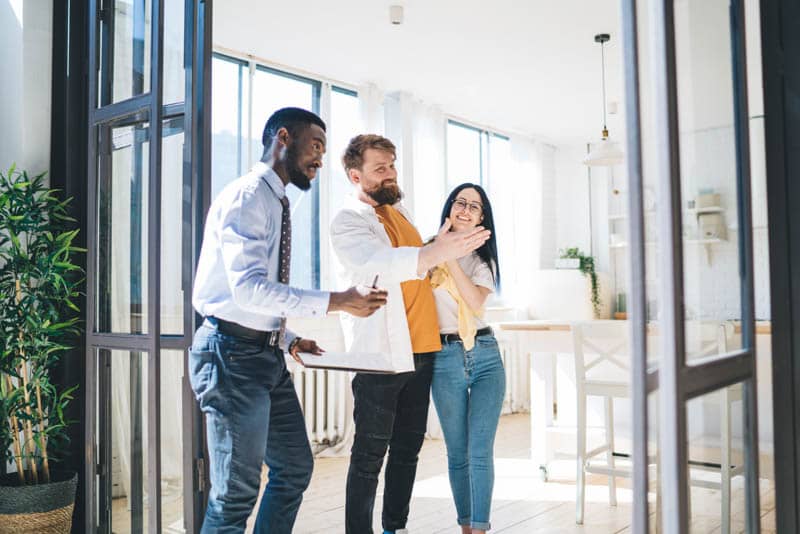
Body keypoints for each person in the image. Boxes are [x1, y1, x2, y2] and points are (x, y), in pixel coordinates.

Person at [189, 108, 388, 533]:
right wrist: (339, 300)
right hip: (231, 358)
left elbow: (252, 298)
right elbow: (247, 290)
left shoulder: (276, 199)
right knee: (235, 495)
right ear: (284, 137)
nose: (320, 159)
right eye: (316, 146)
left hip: (264, 354)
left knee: (294, 466)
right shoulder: (248, 196)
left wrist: (289, 337)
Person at [330, 134, 491, 534]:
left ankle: (394, 528)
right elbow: (381, 263)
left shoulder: (400, 214)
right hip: (382, 358)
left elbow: (427, 273)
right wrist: (441, 250)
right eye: (380, 167)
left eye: (393, 164)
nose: (390, 173)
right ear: (355, 175)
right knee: (369, 455)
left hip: (423, 352)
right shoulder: (348, 221)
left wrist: (444, 250)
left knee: (407, 451)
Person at [429, 183, 505, 534]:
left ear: (481, 218)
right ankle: (465, 526)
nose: (465, 209)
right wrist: (440, 251)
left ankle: (481, 528)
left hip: (486, 356)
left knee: (479, 450)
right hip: (444, 357)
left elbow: (475, 302)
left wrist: (449, 257)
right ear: (450, 209)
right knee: (457, 453)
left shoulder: (482, 260)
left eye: (474, 206)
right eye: (460, 202)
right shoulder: (426, 253)